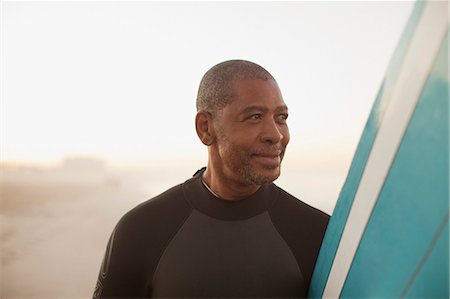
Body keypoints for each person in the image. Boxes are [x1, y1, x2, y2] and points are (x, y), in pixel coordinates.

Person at [93, 60, 330, 298]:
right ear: (206, 128)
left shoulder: (320, 235)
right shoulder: (141, 230)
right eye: (255, 116)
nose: (275, 134)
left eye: (281, 117)